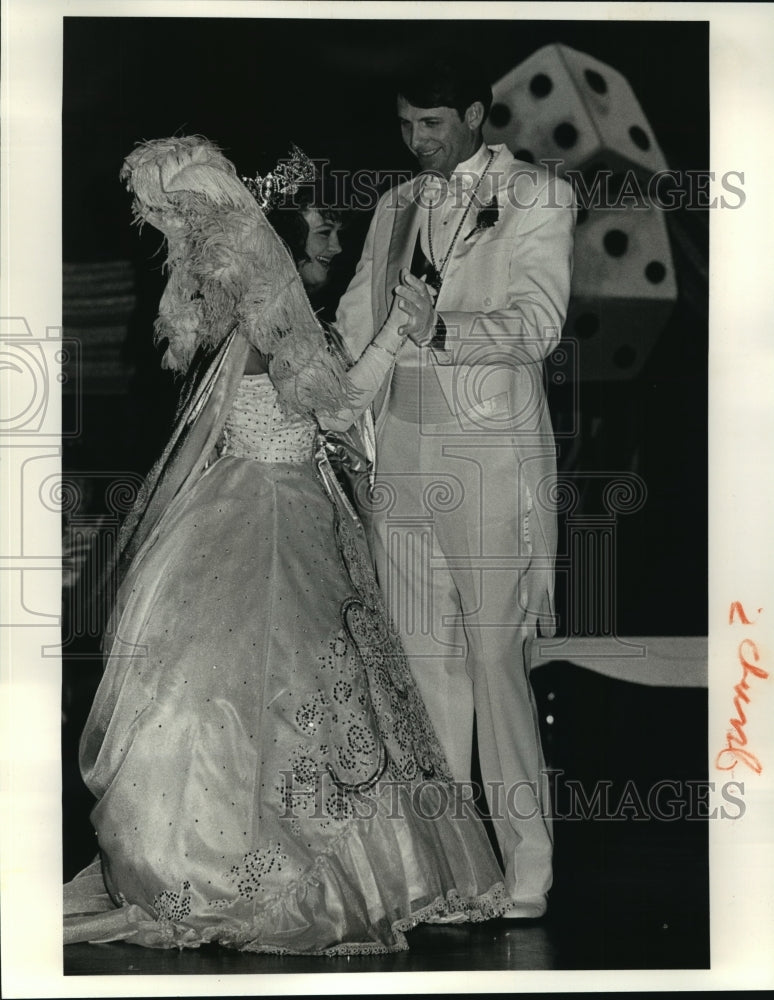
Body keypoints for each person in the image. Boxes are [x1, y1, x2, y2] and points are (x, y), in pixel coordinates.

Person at [63, 136, 508, 955]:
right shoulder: (275, 331)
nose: (334, 242)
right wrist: (400, 336)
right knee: (266, 692)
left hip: (278, 503)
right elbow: (339, 411)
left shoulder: (260, 326)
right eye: (321, 231)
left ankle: (245, 860)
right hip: (265, 515)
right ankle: (248, 874)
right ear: (279, 243)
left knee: (293, 698)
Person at [335, 51, 576, 919]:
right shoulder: (396, 205)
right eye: (404, 125)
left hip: (487, 459)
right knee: (424, 672)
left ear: (475, 115)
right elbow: (359, 314)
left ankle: (528, 864)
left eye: (431, 125)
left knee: (493, 663)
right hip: (401, 454)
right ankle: (450, 868)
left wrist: (445, 328)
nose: (415, 142)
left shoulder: (539, 196)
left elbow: (540, 326)